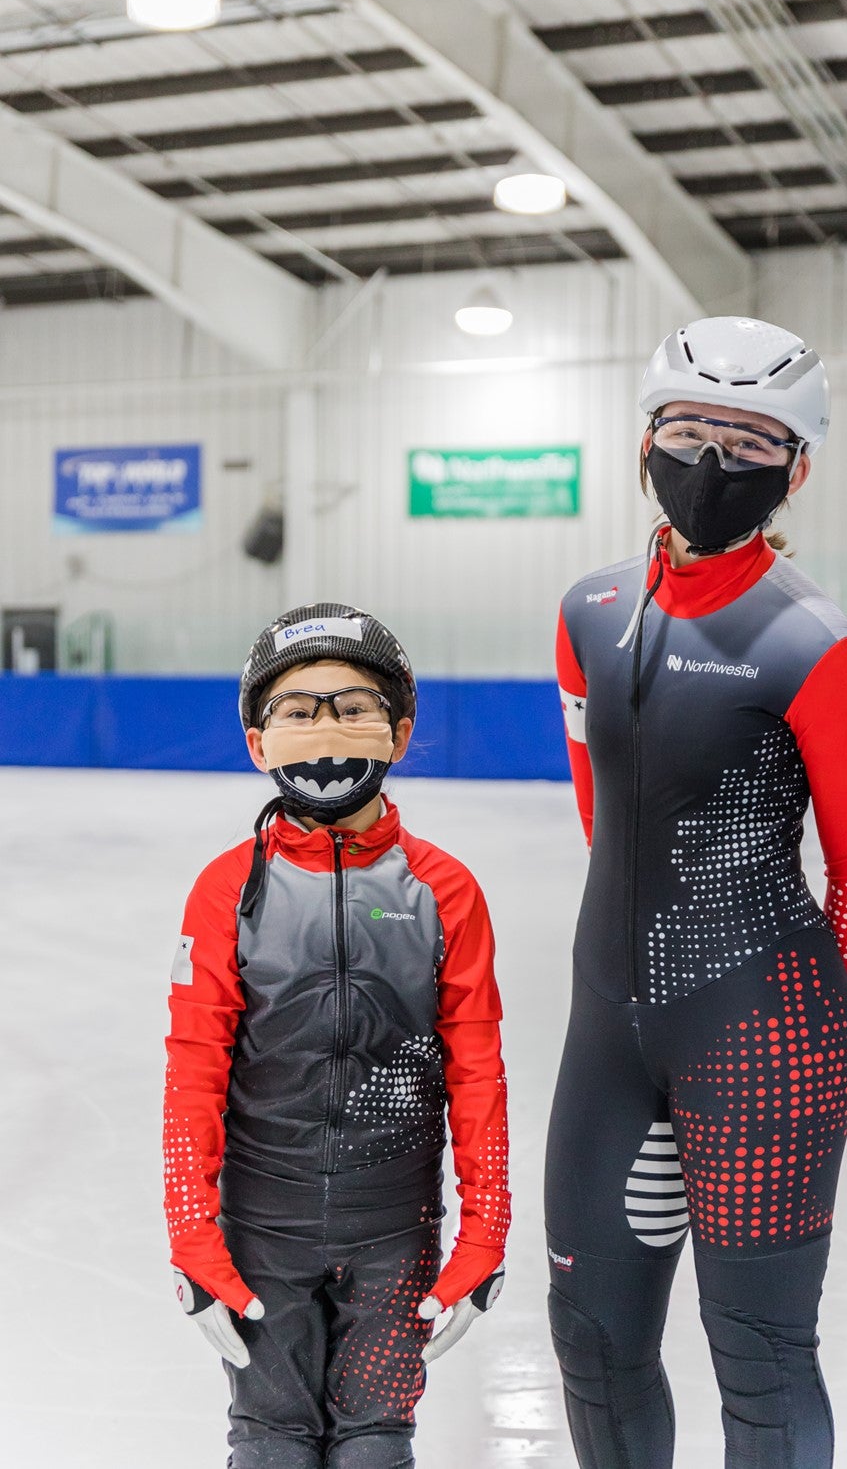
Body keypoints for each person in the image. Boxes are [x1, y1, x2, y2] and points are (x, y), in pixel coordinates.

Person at [545, 316, 847, 1469]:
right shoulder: (590, 613)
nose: (711, 460)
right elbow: (605, 816)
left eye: (749, 440)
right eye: (689, 428)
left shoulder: (815, 645)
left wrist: (805, 1036)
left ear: (797, 469)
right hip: (607, 1024)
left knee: (759, 1353)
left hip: (762, 1031)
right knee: (593, 1342)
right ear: (644, 438)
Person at [163, 603, 510, 1469]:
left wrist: (487, 1232)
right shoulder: (225, 891)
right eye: (297, 711)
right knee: (272, 1446)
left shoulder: (443, 890)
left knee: (374, 1449)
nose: (326, 733)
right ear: (257, 742)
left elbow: (477, 1070)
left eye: (352, 707)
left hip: (395, 1229)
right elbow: (194, 1068)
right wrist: (190, 1234)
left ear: (398, 730)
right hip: (261, 1231)